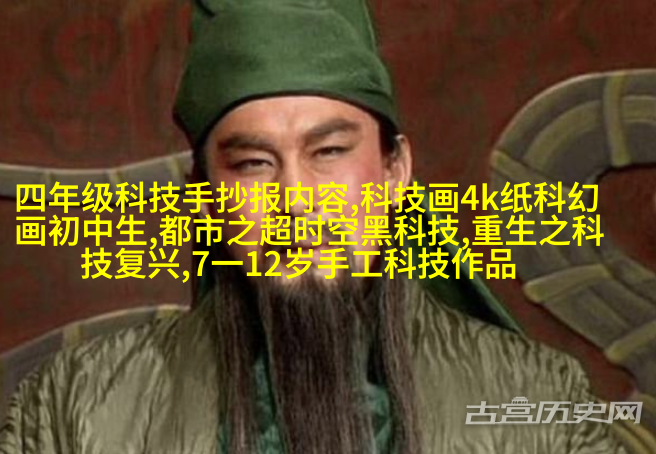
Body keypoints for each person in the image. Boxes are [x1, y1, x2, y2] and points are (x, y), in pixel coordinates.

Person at [0, 0, 629, 453]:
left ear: (395, 170)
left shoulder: (538, 404)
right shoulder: (75, 410)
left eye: (328, 152)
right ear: (205, 194)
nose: (296, 201)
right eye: (253, 164)